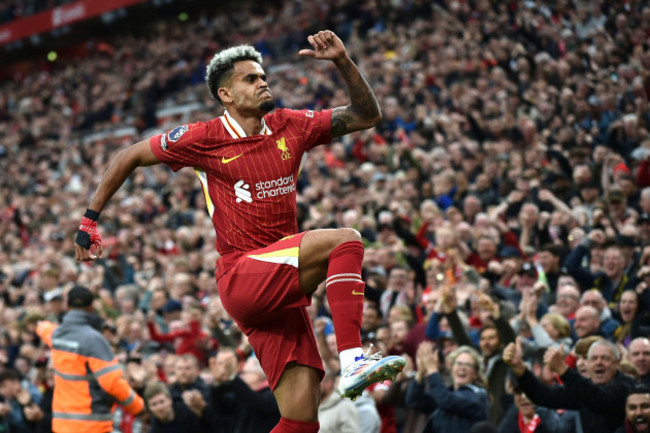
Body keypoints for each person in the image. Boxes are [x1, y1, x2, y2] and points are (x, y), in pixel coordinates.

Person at [73, 30, 405, 432]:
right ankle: (353, 360)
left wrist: (342, 61)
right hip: (242, 276)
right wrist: (89, 220)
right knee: (347, 240)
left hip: (280, 285)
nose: (263, 82)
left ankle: (351, 364)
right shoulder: (203, 138)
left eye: (262, 75)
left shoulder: (291, 125)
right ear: (226, 94)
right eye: (250, 78)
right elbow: (129, 155)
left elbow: (367, 115)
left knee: (301, 420)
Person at [35, 286, 145, 433]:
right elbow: (112, 383)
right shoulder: (94, 340)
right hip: (92, 426)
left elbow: (43, 329)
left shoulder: (57, 335)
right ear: (91, 307)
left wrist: (40, 325)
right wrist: (139, 408)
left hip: (63, 426)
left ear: (67, 306)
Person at [504, 338, 635, 433]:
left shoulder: (626, 386)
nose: (598, 363)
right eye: (594, 359)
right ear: (588, 365)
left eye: (605, 358)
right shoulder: (584, 390)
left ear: (617, 363)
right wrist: (519, 368)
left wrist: (563, 369)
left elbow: (600, 400)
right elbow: (544, 396)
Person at [405, 343, 489, 433]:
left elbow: (446, 400)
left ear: (475, 374)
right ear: (451, 368)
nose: (462, 367)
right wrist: (420, 373)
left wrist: (432, 369)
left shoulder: (478, 397)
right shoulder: (446, 394)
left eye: (468, 365)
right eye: (458, 363)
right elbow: (414, 401)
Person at [144, 381, 216, 433]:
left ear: (170, 400)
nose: (159, 408)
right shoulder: (154, 429)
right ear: (149, 408)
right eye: (154, 404)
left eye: (162, 402)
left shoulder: (189, 413)